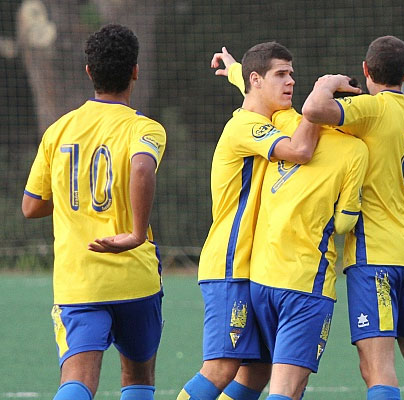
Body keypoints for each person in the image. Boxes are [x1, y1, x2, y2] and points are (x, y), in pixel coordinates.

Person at [176, 42, 360, 400]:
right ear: (257, 80)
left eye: (292, 74)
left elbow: (251, 83)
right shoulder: (245, 126)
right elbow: (301, 151)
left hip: (255, 269)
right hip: (230, 264)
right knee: (220, 368)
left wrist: (234, 69)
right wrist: (320, 96)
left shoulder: (264, 115)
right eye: (281, 74)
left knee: (257, 371)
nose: (291, 81)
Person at [302, 36, 404, 400]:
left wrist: (327, 84)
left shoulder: (372, 109)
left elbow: (313, 111)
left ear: (365, 70)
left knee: (376, 369)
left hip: (377, 257)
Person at [22, 24, 166, 400]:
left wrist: (75, 192)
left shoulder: (59, 131)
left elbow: (31, 205)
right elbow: (140, 166)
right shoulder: (144, 128)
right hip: (135, 276)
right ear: (135, 70)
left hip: (79, 279)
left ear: (89, 71)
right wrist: (135, 233)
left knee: (78, 377)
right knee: (137, 375)